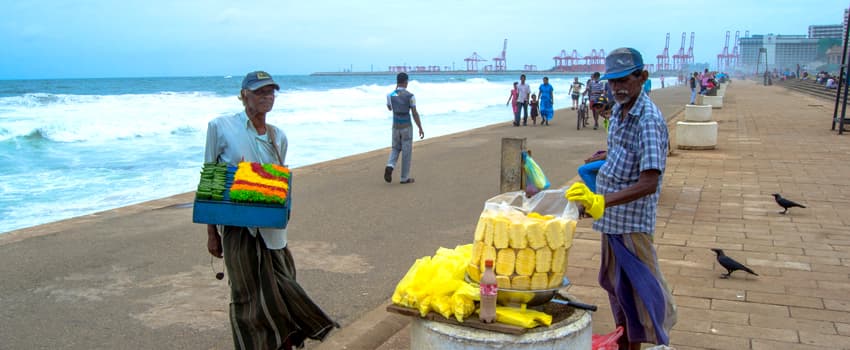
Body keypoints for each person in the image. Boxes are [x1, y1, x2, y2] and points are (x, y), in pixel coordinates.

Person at [205, 71, 338, 350]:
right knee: (246, 297)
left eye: (270, 92)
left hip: (273, 231)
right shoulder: (221, 127)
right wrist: (211, 233)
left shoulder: (279, 137)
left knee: (284, 289)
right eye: (259, 92)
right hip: (238, 229)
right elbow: (212, 182)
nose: (266, 97)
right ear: (244, 95)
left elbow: (277, 183)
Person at [566, 48, 676, 350]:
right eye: (613, 81)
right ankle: (623, 342)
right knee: (617, 290)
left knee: (639, 295)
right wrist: (605, 156)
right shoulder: (617, 111)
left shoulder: (647, 120)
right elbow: (624, 151)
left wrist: (602, 201)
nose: (617, 88)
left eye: (624, 80)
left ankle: (646, 342)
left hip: (632, 223)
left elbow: (649, 181)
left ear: (642, 77)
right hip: (611, 221)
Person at [385, 72, 424, 184]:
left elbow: (389, 108)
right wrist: (420, 127)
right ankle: (404, 178)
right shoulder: (410, 96)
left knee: (395, 148)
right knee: (406, 152)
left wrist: (395, 90)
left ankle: (390, 165)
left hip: (395, 126)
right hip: (406, 126)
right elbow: (414, 113)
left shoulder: (390, 95)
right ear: (406, 82)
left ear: (397, 82)